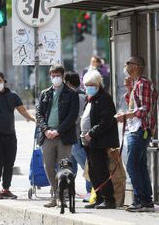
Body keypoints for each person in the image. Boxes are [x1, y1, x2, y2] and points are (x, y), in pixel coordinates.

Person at [0, 71, 35, 199]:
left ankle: (6, 189)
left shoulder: (13, 96)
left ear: (4, 81)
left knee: (9, 163)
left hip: (10, 135)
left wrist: (33, 119)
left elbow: (23, 111)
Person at [115, 56, 157, 212]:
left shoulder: (143, 84)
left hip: (140, 130)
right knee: (139, 165)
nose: (126, 65)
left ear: (138, 66)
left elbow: (144, 108)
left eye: (129, 63)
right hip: (135, 129)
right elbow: (133, 104)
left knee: (132, 165)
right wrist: (128, 90)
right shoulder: (136, 84)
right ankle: (146, 200)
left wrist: (125, 116)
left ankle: (140, 199)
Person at [36, 64, 79, 208]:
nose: (55, 78)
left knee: (64, 168)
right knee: (48, 167)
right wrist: (46, 129)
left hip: (64, 136)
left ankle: (63, 197)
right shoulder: (45, 93)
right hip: (47, 136)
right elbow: (39, 114)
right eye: (52, 76)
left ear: (63, 76)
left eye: (57, 75)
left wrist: (58, 131)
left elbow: (72, 116)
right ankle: (56, 194)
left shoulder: (72, 94)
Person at [80, 70, 120, 209]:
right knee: (92, 171)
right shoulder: (90, 98)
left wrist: (91, 133)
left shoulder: (104, 98)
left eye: (91, 84)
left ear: (98, 84)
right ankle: (98, 197)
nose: (89, 87)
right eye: (86, 85)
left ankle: (108, 199)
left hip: (98, 140)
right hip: (88, 141)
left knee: (101, 169)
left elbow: (106, 120)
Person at [63, 71, 92, 201]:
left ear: (68, 83)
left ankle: (91, 191)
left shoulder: (78, 96)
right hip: (71, 137)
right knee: (71, 166)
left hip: (77, 137)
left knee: (86, 165)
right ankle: (69, 190)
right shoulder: (78, 95)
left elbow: (78, 118)